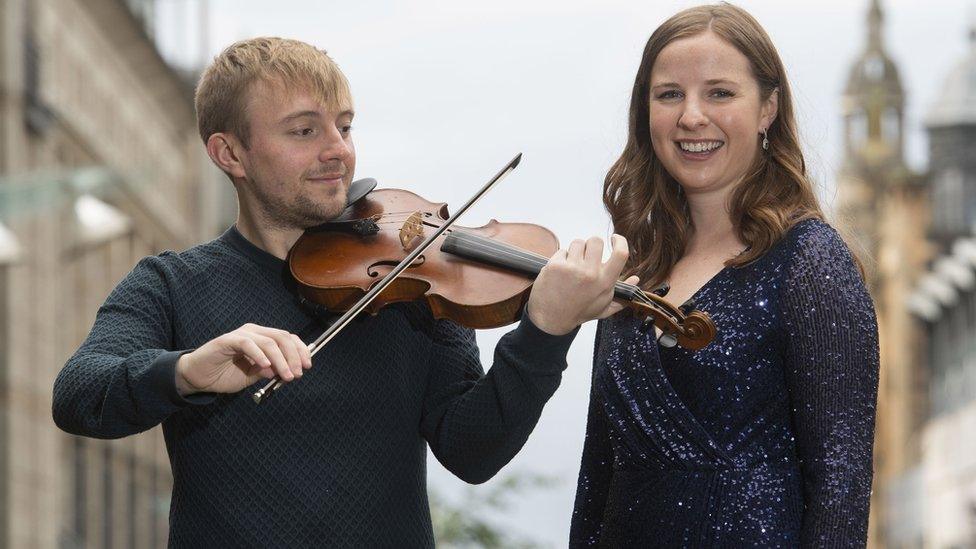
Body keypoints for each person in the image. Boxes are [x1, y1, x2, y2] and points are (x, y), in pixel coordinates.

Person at [52, 37, 632, 548]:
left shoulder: (408, 280)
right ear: (230, 154)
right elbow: (79, 394)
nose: (339, 150)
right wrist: (185, 372)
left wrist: (545, 334)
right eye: (305, 131)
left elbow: (474, 450)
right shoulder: (171, 284)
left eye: (345, 125)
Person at [570, 4, 879, 547]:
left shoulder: (811, 262)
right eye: (669, 94)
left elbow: (840, 493)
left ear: (768, 109)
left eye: (719, 92)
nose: (691, 116)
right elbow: (597, 482)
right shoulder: (635, 272)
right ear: (646, 112)